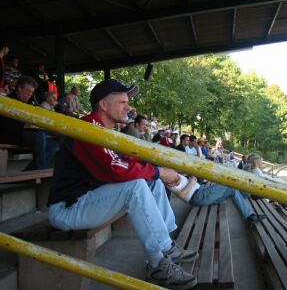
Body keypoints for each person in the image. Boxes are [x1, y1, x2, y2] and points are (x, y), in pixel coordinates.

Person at [47, 79, 198, 289]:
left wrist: (156, 172)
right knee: (137, 186)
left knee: (150, 181)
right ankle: (158, 263)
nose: (129, 107)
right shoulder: (87, 128)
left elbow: (129, 162)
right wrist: (159, 171)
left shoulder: (106, 131)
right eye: (122, 102)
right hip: (68, 208)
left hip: (89, 200)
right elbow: (115, 169)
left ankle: (168, 246)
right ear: (103, 105)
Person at [0, 75, 59, 169]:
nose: (30, 94)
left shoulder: (27, 103)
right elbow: (4, 124)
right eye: (28, 91)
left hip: (22, 134)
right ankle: (40, 172)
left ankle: (32, 170)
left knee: (54, 145)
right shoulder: (7, 101)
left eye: (32, 92)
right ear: (19, 88)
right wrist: (25, 125)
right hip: (9, 135)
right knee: (40, 136)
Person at [168, 174, 267, 226]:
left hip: (201, 191)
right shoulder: (164, 176)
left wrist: (192, 180)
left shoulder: (169, 171)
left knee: (232, 190)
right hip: (198, 196)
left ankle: (250, 216)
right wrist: (192, 182)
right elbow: (181, 194)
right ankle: (250, 195)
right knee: (229, 181)